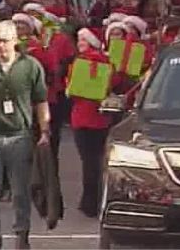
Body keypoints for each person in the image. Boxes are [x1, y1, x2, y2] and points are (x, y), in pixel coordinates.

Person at [0, 20, 50, 250]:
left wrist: (44, 130)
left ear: (15, 41)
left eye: (4, 41)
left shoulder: (30, 66)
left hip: (19, 135)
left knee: (20, 189)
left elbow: (40, 101)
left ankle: (21, 234)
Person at [66, 28, 112, 218]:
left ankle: (90, 202)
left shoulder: (80, 62)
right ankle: (98, 199)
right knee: (98, 161)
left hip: (82, 119)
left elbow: (72, 91)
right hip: (100, 118)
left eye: (82, 41)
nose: (79, 44)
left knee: (89, 162)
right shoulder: (107, 62)